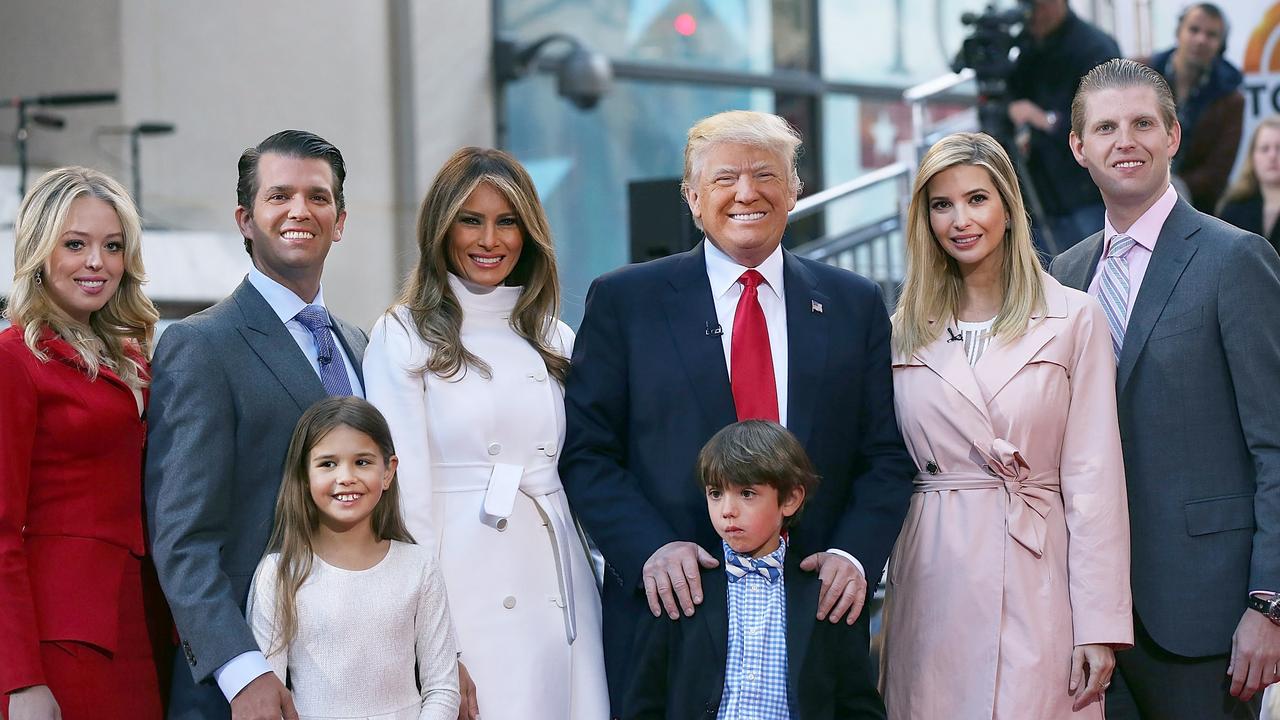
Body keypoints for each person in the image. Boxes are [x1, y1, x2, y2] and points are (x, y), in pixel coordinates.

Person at [560, 109, 915, 709]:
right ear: (693, 198)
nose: (746, 193)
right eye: (724, 179)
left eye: (765, 175)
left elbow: (884, 455)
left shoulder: (854, 304)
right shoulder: (626, 301)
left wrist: (854, 556)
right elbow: (588, 452)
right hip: (670, 621)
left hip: (812, 632)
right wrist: (649, 549)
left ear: (795, 190)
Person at [1052, 58, 1280, 718]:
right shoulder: (1064, 276)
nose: (1126, 141)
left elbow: (1276, 442)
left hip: (1207, 622)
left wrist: (1269, 603)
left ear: (1173, 136)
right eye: (1106, 127)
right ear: (1079, 148)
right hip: (1088, 619)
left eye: (1143, 123)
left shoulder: (1236, 259)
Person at [879, 132, 1132, 718]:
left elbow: (1095, 482)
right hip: (932, 575)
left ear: (1009, 208)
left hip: (1038, 571)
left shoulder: (1074, 317)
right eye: (941, 205)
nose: (960, 220)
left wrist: (1099, 623)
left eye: (976, 199)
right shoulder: (900, 329)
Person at [363, 146, 609, 720]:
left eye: (507, 221)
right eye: (471, 220)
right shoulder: (403, 334)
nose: (489, 240)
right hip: (460, 586)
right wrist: (434, 644)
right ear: (442, 229)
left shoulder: (554, 336)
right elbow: (406, 498)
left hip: (555, 573)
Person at [146, 130, 368, 719]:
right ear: (246, 218)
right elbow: (182, 536)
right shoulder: (200, 346)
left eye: (318, 197)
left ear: (340, 220)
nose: (300, 211)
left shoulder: (361, 346)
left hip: (361, 669)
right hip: (250, 683)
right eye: (280, 196)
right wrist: (243, 671)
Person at [0, 167, 167, 718]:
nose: (98, 262)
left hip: (138, 624)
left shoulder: (133, 359)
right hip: (60, 638)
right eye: (76, 244)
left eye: (112, 246)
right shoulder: (14, 361)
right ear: (39, 253)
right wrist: (19, 677)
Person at [622, 420, 887, 719]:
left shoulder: (823, 592)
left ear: (790, 499)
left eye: (746, 494)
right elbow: (644, 703)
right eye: (716, 493)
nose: (727, 510)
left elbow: (859, 708)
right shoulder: (682, 585)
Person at [247, 396, 459, 719]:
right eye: (327, 464)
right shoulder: (280, 573)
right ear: (304, 476)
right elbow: (269, 694)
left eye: (362, 462)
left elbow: (443, 688)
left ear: (388, 472)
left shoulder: (420, 568)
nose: (345, 477)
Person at [1007, 0, 1121, 253]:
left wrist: (1044, 119)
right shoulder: (1026, 46)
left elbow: (1107, 122)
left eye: (1036, 5)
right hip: (1036, 191)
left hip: (1082, 193)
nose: (1031, 13)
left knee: (1089, 276)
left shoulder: (1095, 48)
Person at [1144, 3, 1243, 214]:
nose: (1201, 39)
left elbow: (1217, 172)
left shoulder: (1231, 99)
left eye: (1211, 34)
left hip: (1197, 210)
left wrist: (1168, 187)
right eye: (1194, 29)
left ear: (1220, 45)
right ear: (1179, 32)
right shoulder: (1140, 74)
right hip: (1134, 193)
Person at [1217, 115, 1280, 255]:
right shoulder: (1233, 209)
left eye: (1279, 148)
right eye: (1264, 149)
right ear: (1253, 156)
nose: (1272, 156)